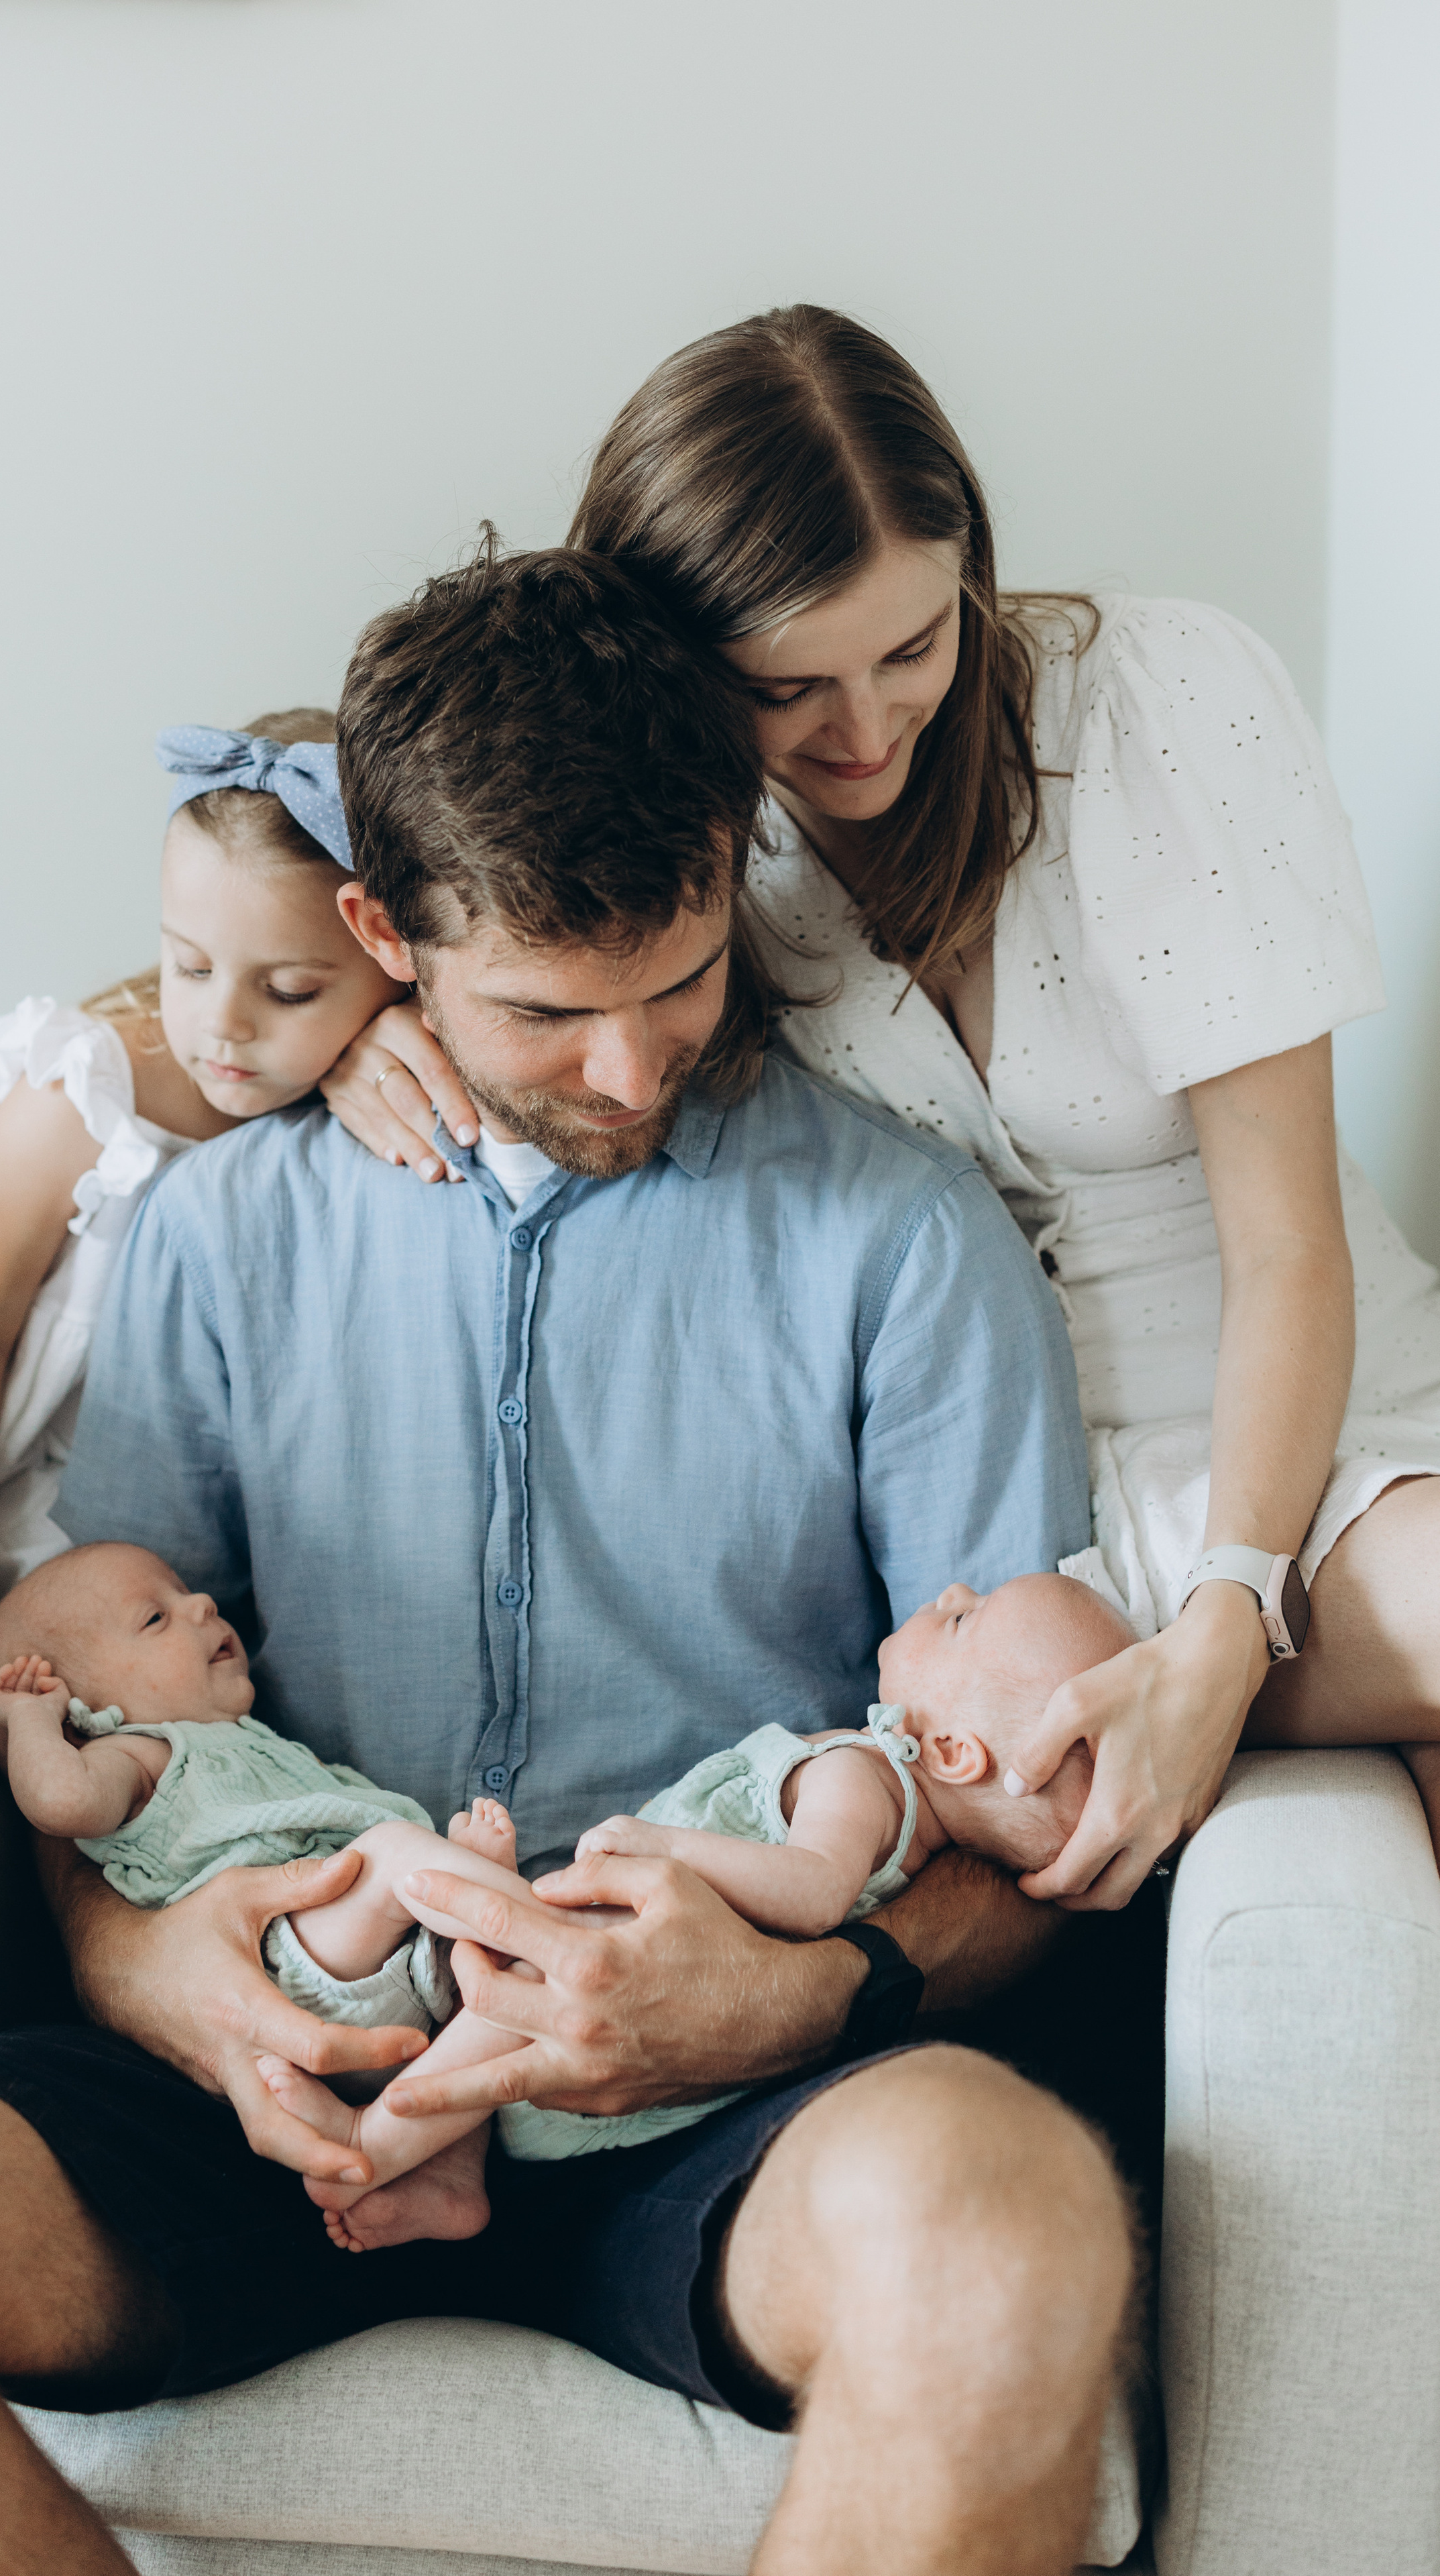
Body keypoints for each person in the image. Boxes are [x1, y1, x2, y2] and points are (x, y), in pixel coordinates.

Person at [0, 544, 1132, 2576]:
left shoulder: (904, 1243)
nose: (634, 1071)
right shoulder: (220, 1241)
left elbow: (1043, 1792)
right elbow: (83, 1673)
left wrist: (794, 1989)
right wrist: (154, 1975)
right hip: (294, 2049)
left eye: (680, 979)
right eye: (550, 1013)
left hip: (728, 2101)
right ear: (386, 933)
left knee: (1003, 2230)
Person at [324, 304, 1440, 1910]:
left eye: (912, 649)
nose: (862, 734)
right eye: (789, 687)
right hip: (1000, 1538)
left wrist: (1223, 1625)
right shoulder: (675, 838)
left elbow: (1286, 1246)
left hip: (1299, 1428)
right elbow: (325, 865)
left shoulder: (1153, 701)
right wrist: (351, 1027)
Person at [0, 1544, 1124, 2255]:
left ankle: (403, 2148)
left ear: (960, 1751)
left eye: (965, 1617)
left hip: (673, 2028)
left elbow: (1005, 1851)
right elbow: (59, 1761)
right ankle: (419, 2144)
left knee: (983, 2198)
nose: (201, 1601)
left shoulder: (864, 1776)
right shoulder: (212, 1225)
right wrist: (119, 1955)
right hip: (309, 1988)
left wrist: (793, 1986)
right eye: (157, 1611)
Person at [0, 712, 402, 1650]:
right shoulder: (82, 1097)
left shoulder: (371, 1094)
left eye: (291, 989)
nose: (223, 1025)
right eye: (191, 965)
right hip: (11, 1492)